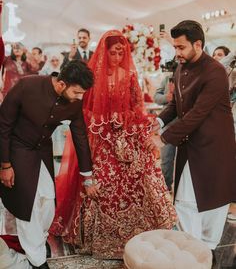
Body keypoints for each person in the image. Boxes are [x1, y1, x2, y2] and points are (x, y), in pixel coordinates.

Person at [50, 30, 177, 259]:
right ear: (104, 52)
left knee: (135, 180)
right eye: (114, 52)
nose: (118, 57)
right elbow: (83, 106)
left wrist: (128, 121)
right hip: (101, 137)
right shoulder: (93, 75)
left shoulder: (127, 74)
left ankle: (137, 233)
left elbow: (136, 104)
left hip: (125, 135)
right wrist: (100, 122)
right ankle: (101, 237)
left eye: (122, 52)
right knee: (103, 183)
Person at [0, 60, 96, 268]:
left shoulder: (74, 102)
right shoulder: (27, 86)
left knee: (48, 203)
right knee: (29, 205)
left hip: (42, 151)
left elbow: (80, 137)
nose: (80, 98)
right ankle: (36, 259)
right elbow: (3, 125)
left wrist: (87, 176)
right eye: (77, 92)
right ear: (61, 84)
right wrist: (5, 165)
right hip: (17, 148)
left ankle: (37, 242)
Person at [156, 20, 236, 257]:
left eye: (181, 47)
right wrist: (158, 121)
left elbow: (198, 113)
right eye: (175, 47)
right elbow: (175, 104)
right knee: (184, 201)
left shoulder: (215, 71)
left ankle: (206, 249)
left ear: (198, 44)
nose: (177, 53)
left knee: (215, 199)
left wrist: (163, 138)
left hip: (214, 147)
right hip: (190, 145)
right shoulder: (180, 67)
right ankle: (191, 250)